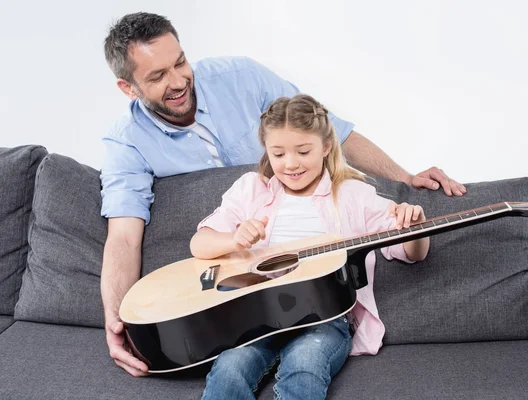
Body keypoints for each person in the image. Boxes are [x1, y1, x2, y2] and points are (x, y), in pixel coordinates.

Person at [100, 12, 460, 377]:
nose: (178, 81)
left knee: (305, 364)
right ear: (128, 88)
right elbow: (124, 239)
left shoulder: (241, 77)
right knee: (231, 368)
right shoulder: (124, 143)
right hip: (237, 292)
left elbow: (331, 131)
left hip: (315, 300)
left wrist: (405, 177)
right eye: (158, 76)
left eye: (180, 62)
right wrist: (117, 322)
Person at [190, 94, 430, 399]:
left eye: (303, 151)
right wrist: (233, 239)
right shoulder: (250, 189)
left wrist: (416, 225)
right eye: (278, 154)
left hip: (324, 319)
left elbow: (412, 253)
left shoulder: (353, 194)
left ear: (326, 146)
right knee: (229, 368)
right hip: (255, 318)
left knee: (306, 363)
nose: (290, 164)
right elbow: (199, 244)